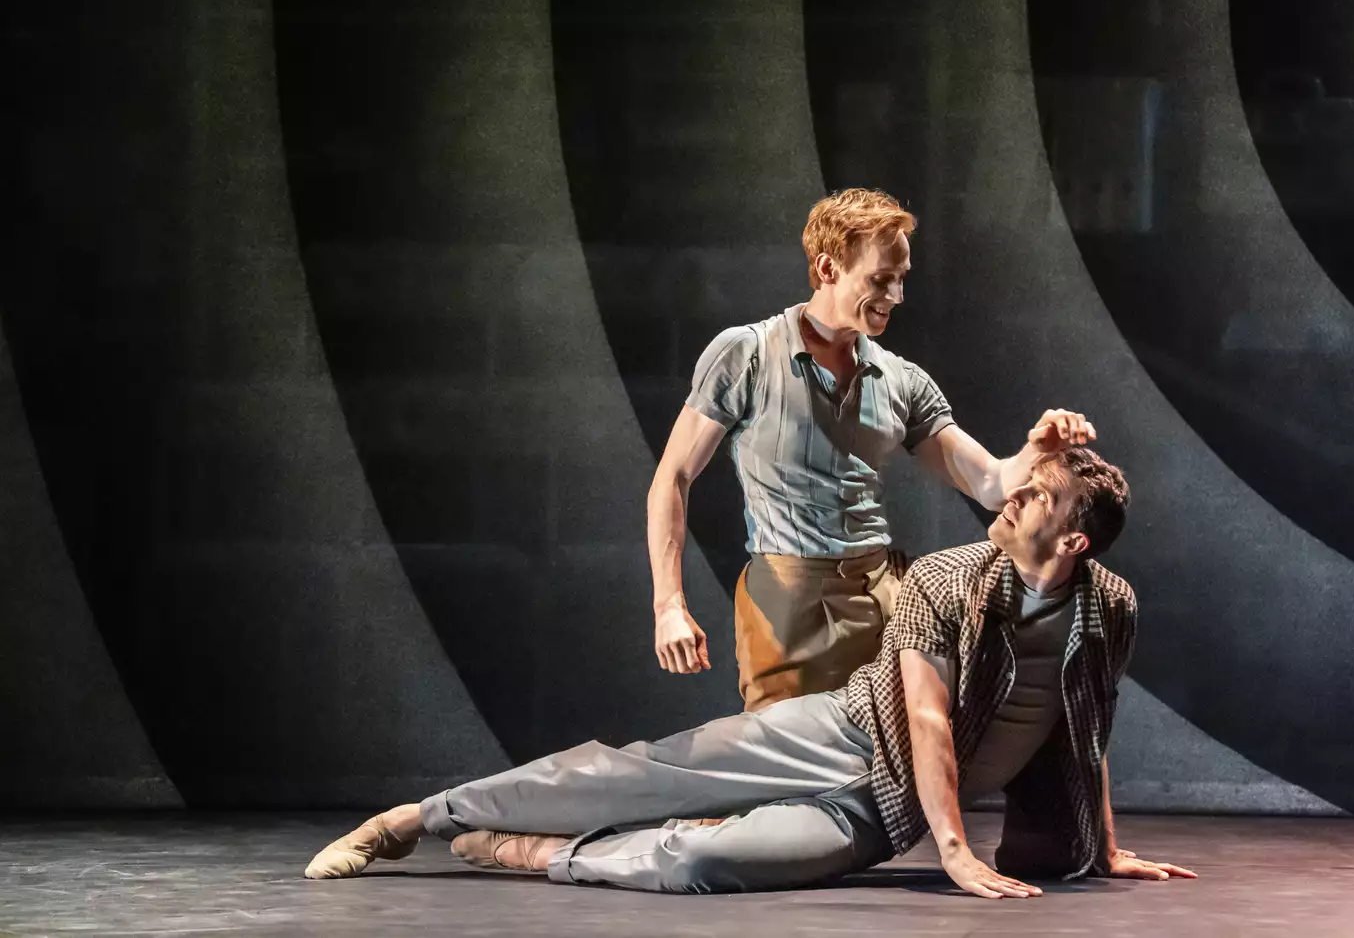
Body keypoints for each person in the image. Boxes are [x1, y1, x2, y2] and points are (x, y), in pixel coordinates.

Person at [304, 447, 1196, 896]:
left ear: (1071, 541)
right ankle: (412, 819)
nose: (1010, 496)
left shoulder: (1107, 603)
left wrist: (1102, 843)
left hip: (879, 808)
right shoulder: (947, 577)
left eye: (1033, 494)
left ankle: (542, 853)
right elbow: (925, 719)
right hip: (841, 731)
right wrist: (956, 853)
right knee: (635, 770)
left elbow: (1088, 723)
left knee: (706, 858)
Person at [650, 187, 1095, 710]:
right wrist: (668, 605)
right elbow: (673, 478)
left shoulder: (900, 379)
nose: (897, 296)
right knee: (787, 763)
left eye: (902, 279)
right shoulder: (747, 354)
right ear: (828, 267)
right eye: (881, 279)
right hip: (787, 604)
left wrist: (1035, 449)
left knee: (894, 762)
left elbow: (992, 485)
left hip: (885, 599)